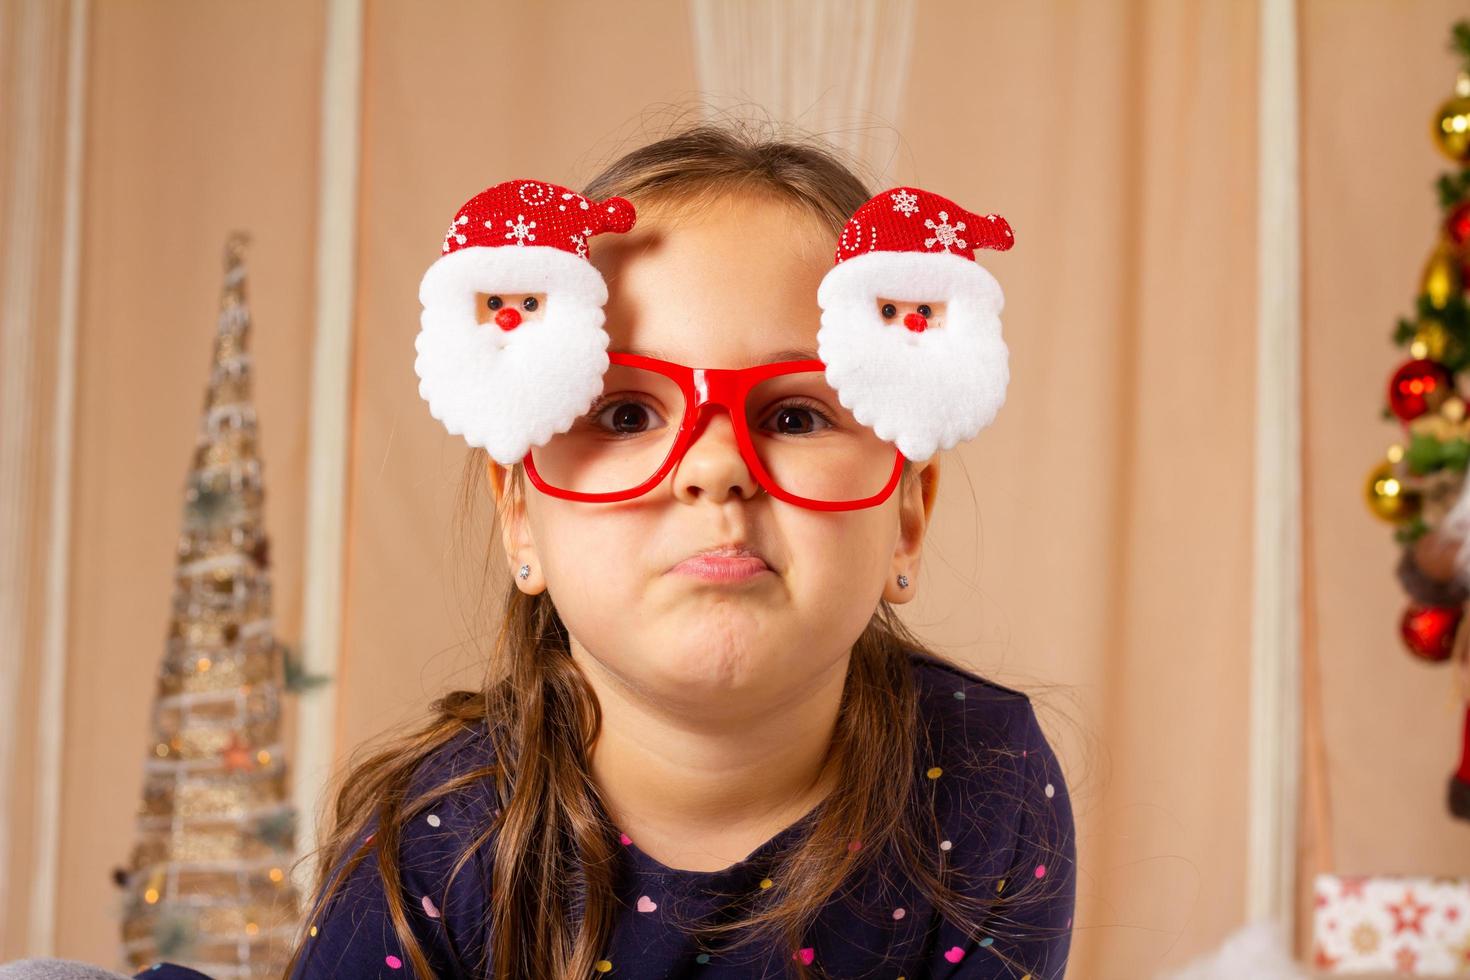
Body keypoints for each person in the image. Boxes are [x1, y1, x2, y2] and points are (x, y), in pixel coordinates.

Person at [143, 118, 1078, 979]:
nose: (714, 469)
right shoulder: (435, 845)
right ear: (522, 520)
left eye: (794, 414)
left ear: (906, 516)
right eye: (626, 414)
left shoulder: (985, 782)